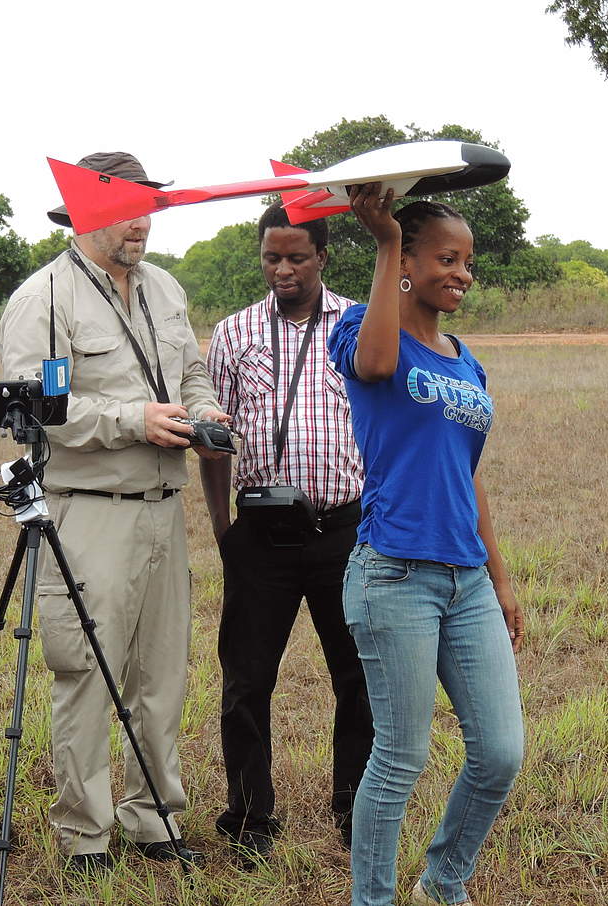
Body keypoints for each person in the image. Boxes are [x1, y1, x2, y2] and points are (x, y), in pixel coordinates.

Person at [0, 151, 229, 874]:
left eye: (148, 207)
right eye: (129, 209)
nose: (143, 222)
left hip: (164, 506)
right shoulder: (45, 298)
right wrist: (133, 420)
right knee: (87, 672)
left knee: (161, 676)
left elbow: (189, 370)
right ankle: (86, 835)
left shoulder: (165, 288)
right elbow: (35, 405)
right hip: (87, 510)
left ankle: (155, 816)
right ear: (84, 212)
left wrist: (204, 409)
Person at [326, 185, 525, 906]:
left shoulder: (465, 360)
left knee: (500, 752)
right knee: (402, 756)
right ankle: (372, 899)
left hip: (465, 579)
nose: (463, 274)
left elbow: (467, 478)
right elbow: (377, 368)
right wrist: (380, 242)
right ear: (407, 261)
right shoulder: (359, 328)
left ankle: (444, 882)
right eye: (447, 258)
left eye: (468, 263)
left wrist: (499, 578)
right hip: (395, 575)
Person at [201, 203, 373, 864]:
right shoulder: (234, 333)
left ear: (323, 257)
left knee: (357, 677)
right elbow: (212, 440)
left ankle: (355, 808)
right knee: (245, 681)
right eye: (272, 257)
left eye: (297, 257)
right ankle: (249, 818)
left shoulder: (357, 324)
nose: (283, 269)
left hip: (344, 532)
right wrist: (224, 531)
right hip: (260, 537)